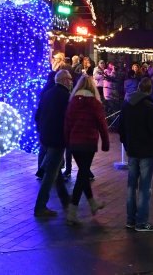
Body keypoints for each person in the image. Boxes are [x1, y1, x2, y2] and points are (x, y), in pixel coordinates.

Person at [63, 74, 109, 225]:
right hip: (88, 141)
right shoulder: (95, 103)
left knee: (83, 172)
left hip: (75, 142)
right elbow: (102, 124)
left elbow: (67, 123)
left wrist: (67, 141)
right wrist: (105, 142)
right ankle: (72, 210)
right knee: (83, 174)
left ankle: (92, 203)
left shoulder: (73, 102)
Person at [119, 77, 153, 232]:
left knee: (131, 185)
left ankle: (130, 219)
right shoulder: (148, 106)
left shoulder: (127, 104)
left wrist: (126, 143)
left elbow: (121, 127)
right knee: (144, 187)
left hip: (132, 149)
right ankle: (141, 221)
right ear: (149, 90)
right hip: (146, 150)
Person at [34, 69, 74, 218]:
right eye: (69, 79)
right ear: (64, 80)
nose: (71, 82)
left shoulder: (47, 94)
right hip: (57, 139)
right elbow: (68, 119)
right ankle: (40, 207)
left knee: (55, 171)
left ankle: (64, 199)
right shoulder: (65, 97)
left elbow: (38, 115)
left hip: (46, 137)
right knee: (50, 174)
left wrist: (41, 131)